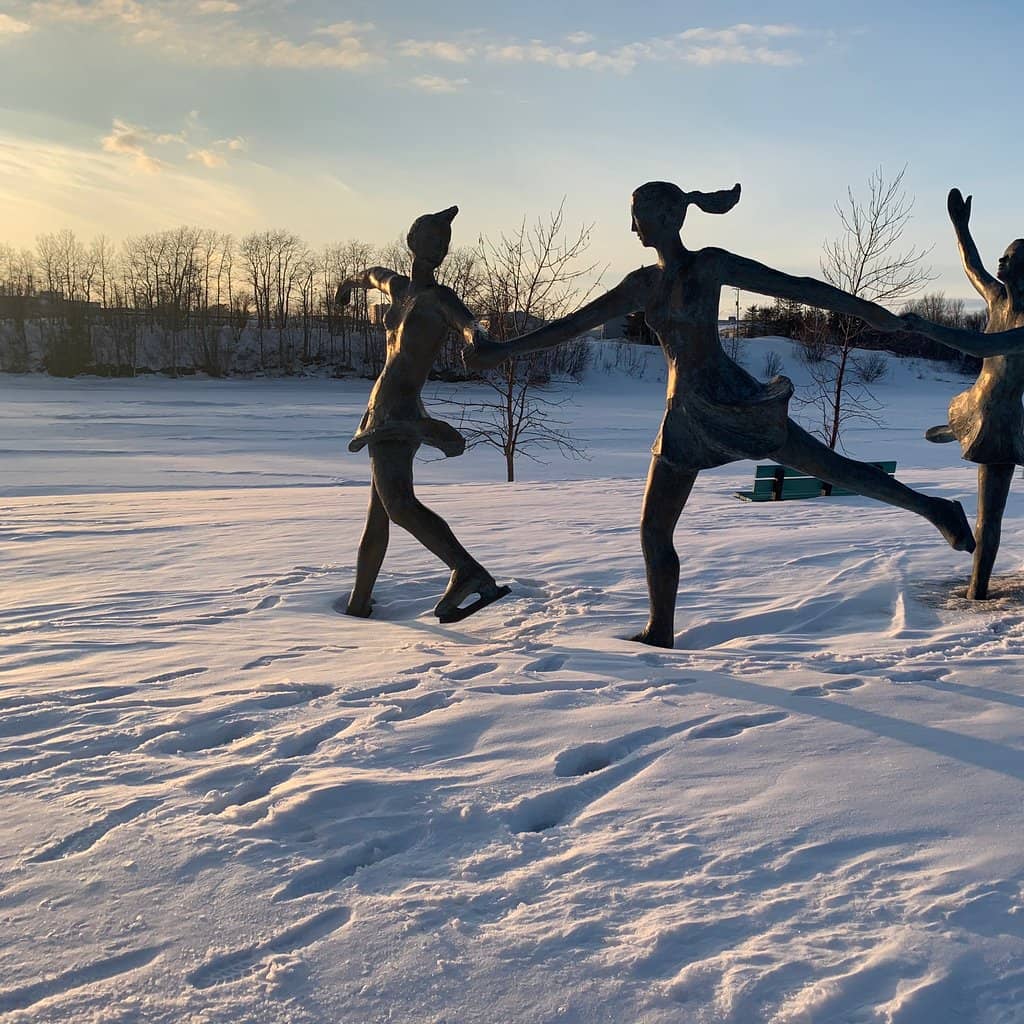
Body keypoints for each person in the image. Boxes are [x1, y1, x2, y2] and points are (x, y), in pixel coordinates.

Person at [468, 181, 974, 648]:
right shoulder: (641, 284)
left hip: (733, 401)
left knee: (832, 469)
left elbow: (797, 287)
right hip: (684, 415)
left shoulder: (709, 265)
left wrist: (871, 314)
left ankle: (936, 509)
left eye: (638, 215)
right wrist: (503, 350)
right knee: (653, 529)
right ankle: (659, 631)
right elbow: (570, 325)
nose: (632, 227)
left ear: (668, 218)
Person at [337, 206, 509, 623]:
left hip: (400, 412)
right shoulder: (399, 289)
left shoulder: (439, 299)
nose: (439, 249)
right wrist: (348, 282)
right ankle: (359, 605)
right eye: (433, 241)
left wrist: (476, 341)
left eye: (444, 244)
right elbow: (373, 273)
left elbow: (471, 326)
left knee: (397, 504)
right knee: (379, 513)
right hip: (380, 408)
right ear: (413, 243)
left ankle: (466, 570)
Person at [901, 188, 1024, 598]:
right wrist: (960, 227)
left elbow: (985, 348)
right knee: (986, 512)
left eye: (1012, 255)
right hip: (978, 404)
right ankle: (959, 426)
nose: (1002, 259)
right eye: (1003, 254)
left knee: (990, 516)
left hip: (1005, 424)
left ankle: (978, 589)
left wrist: (927, 327)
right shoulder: (996, 298)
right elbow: (972, 266)